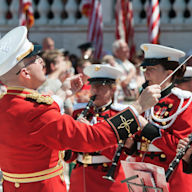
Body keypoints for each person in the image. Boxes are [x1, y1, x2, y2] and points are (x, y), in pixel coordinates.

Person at [0, 26, 161, 192]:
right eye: (35, 58)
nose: (41, 61)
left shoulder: (7, 103)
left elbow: (36, 112)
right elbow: (91, 137)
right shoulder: (37, 111)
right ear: (25, 73)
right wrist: (137, 107)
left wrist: (61, 94)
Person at [125, 43, 192, 192]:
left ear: (168, 73)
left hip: (170, 177)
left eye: (151, 69)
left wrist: (148, 129)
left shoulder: (184, 102)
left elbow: (182, 147)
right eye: (145, 69)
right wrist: (129, 144)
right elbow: (137, 143)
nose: (146, 73)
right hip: (141, 173)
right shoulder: (143, 99)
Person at [65, 64, 136, 192]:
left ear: (113, 89)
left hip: (108, 178)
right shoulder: (79, 111)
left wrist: (90, 132)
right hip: (81, 176)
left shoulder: (120, 115)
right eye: (93, 86)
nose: (95, 90)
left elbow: (123, 153)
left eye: (101, 86)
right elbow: (71, 152)